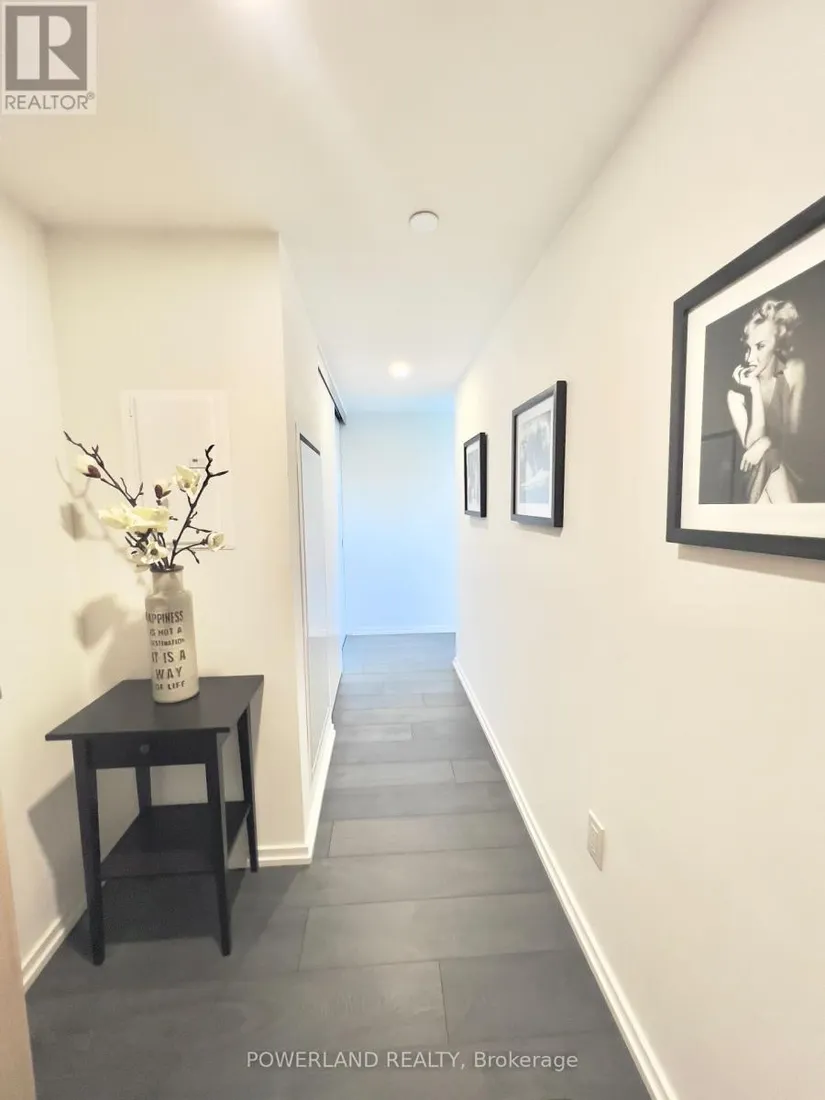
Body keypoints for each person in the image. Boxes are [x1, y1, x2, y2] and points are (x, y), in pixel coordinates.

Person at [726, 298, 806, 503]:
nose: (749, 358)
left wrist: (767, 443)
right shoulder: (735, 396)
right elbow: (751, 449)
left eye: (760, 346)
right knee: (767, 459)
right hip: (752, 474)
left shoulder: (793, 372)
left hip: (789, 470)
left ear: (777, 343)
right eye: (748, 348)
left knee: (772, 457)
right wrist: (754, 390)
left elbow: (796, 437)